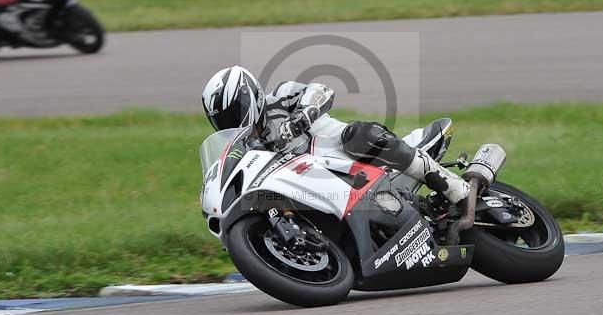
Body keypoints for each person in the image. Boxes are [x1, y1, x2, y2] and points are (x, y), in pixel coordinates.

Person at [201, 66, 470, 209]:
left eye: (234, 112)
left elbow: (321, 90)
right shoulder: (244, 148)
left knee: (359, 135)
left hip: (347, 155)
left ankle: (454, 188)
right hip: (315, 187)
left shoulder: (281, 98)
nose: (231, 122)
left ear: (251, 96)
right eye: (222, 121)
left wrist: (305, 115)